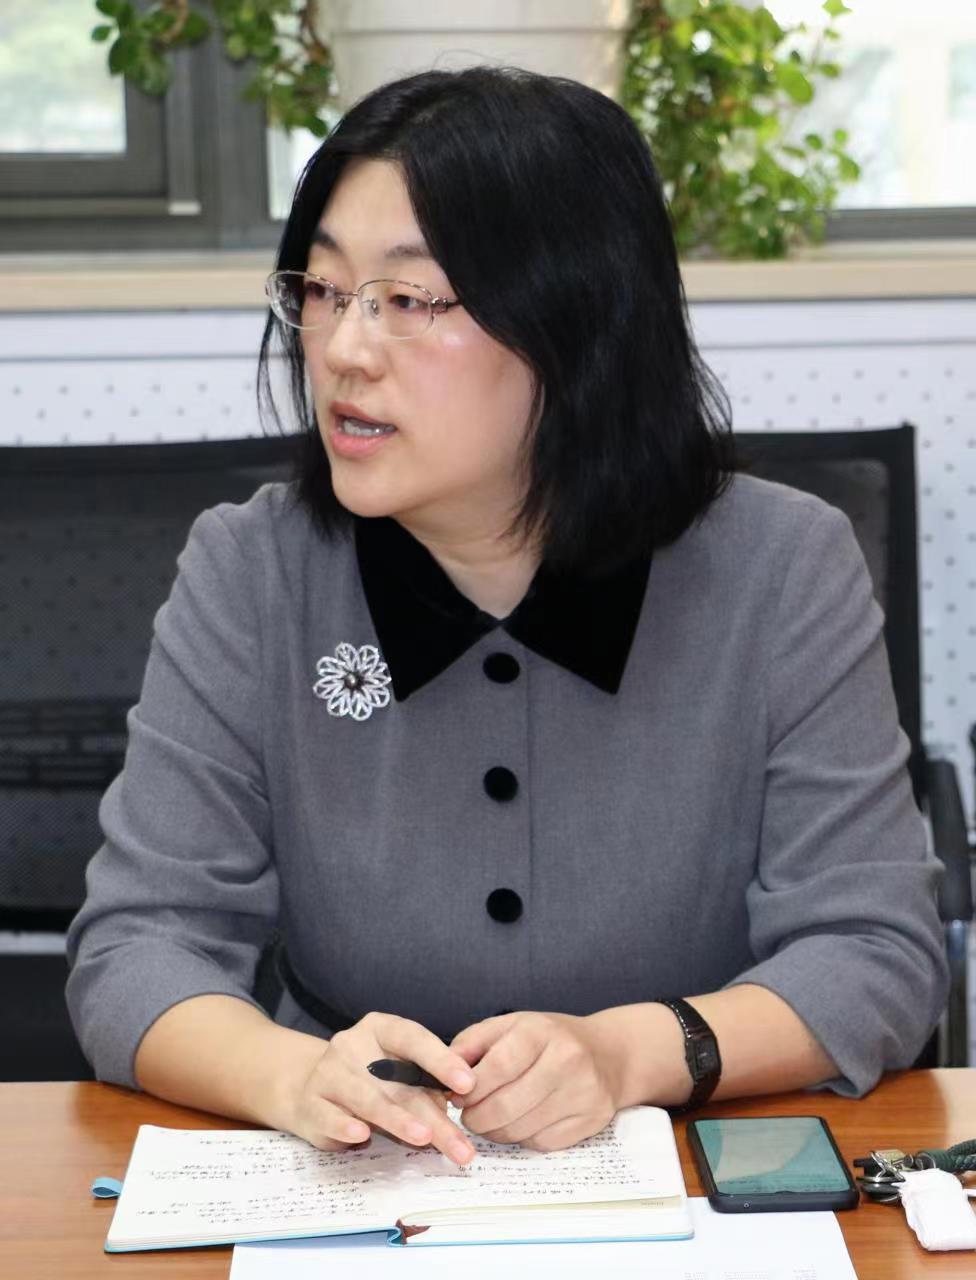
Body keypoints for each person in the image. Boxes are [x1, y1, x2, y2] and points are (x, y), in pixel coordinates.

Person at [66, 66, 947, 1167]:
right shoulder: (252, 570)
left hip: (688, 1166)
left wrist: (631, 1053)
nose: (343, 349)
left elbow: (875, 950)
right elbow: (136, 949)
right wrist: (292, 1074)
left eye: (409, 300)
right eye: (324, 289)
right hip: (354, 1181)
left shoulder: (781, 566)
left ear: (576, 323)